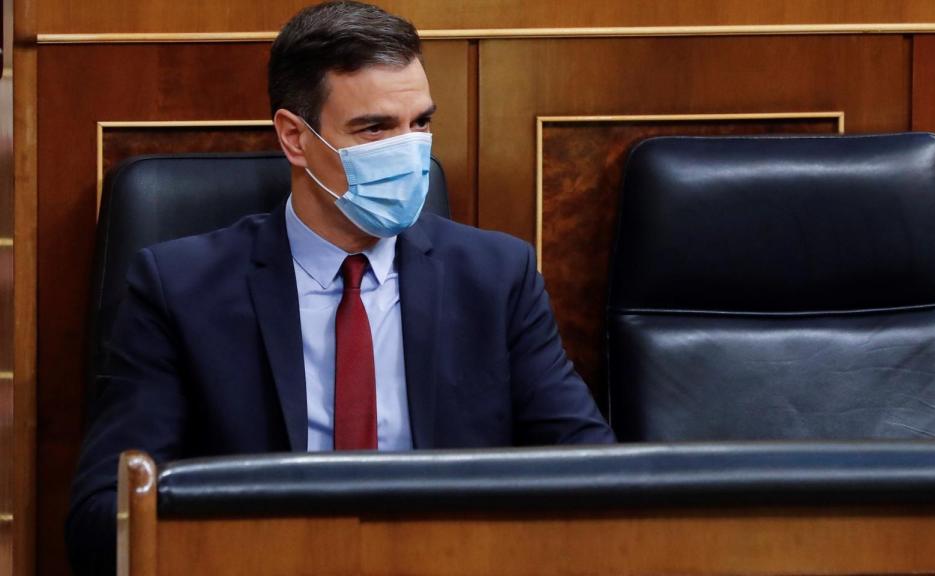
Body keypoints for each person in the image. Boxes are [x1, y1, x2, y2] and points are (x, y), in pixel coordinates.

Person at [66, 1, 614, 574]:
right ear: (295, 139)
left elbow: (595, 478)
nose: (409, 150)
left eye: (420, 123)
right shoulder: (180, 289)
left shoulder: (497, 277)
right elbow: (104, 519)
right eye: (375, 128)